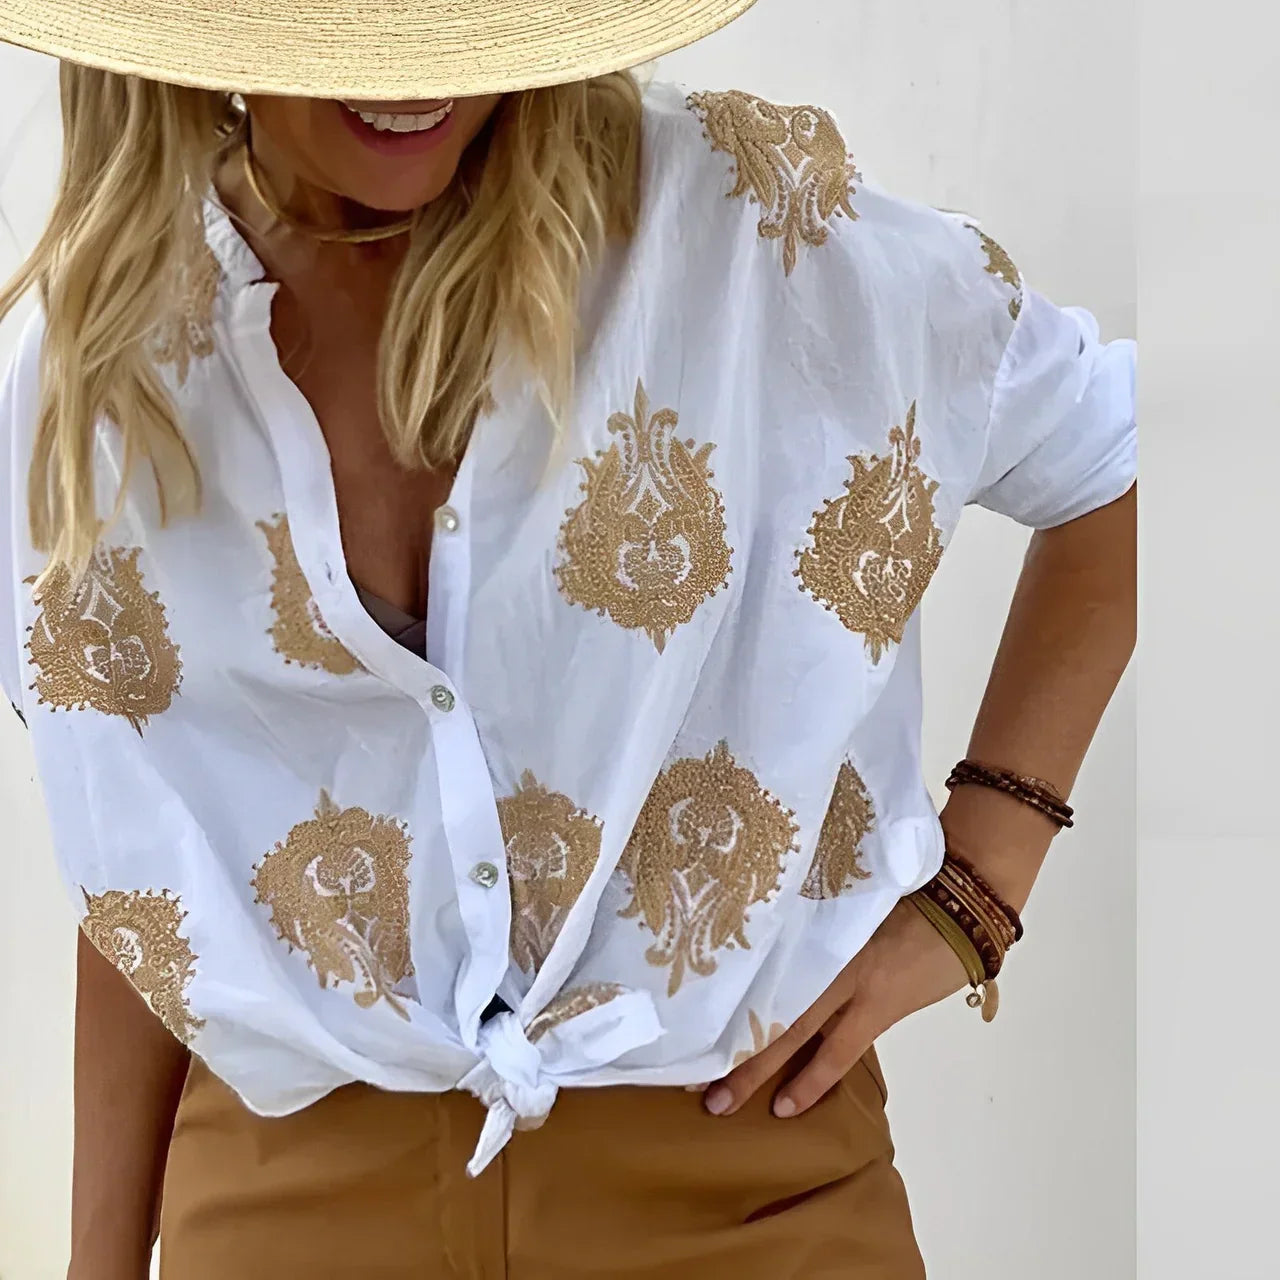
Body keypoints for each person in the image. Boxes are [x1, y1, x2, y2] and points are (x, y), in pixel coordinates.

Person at [0, 1, 1136, 1276]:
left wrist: (982, 879)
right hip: (288, 1201)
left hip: (749, 1188)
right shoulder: (98, 367)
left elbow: (1114, 450)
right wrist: (98, 1258)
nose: (416, 73)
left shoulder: (738, 229)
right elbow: (148, 855)